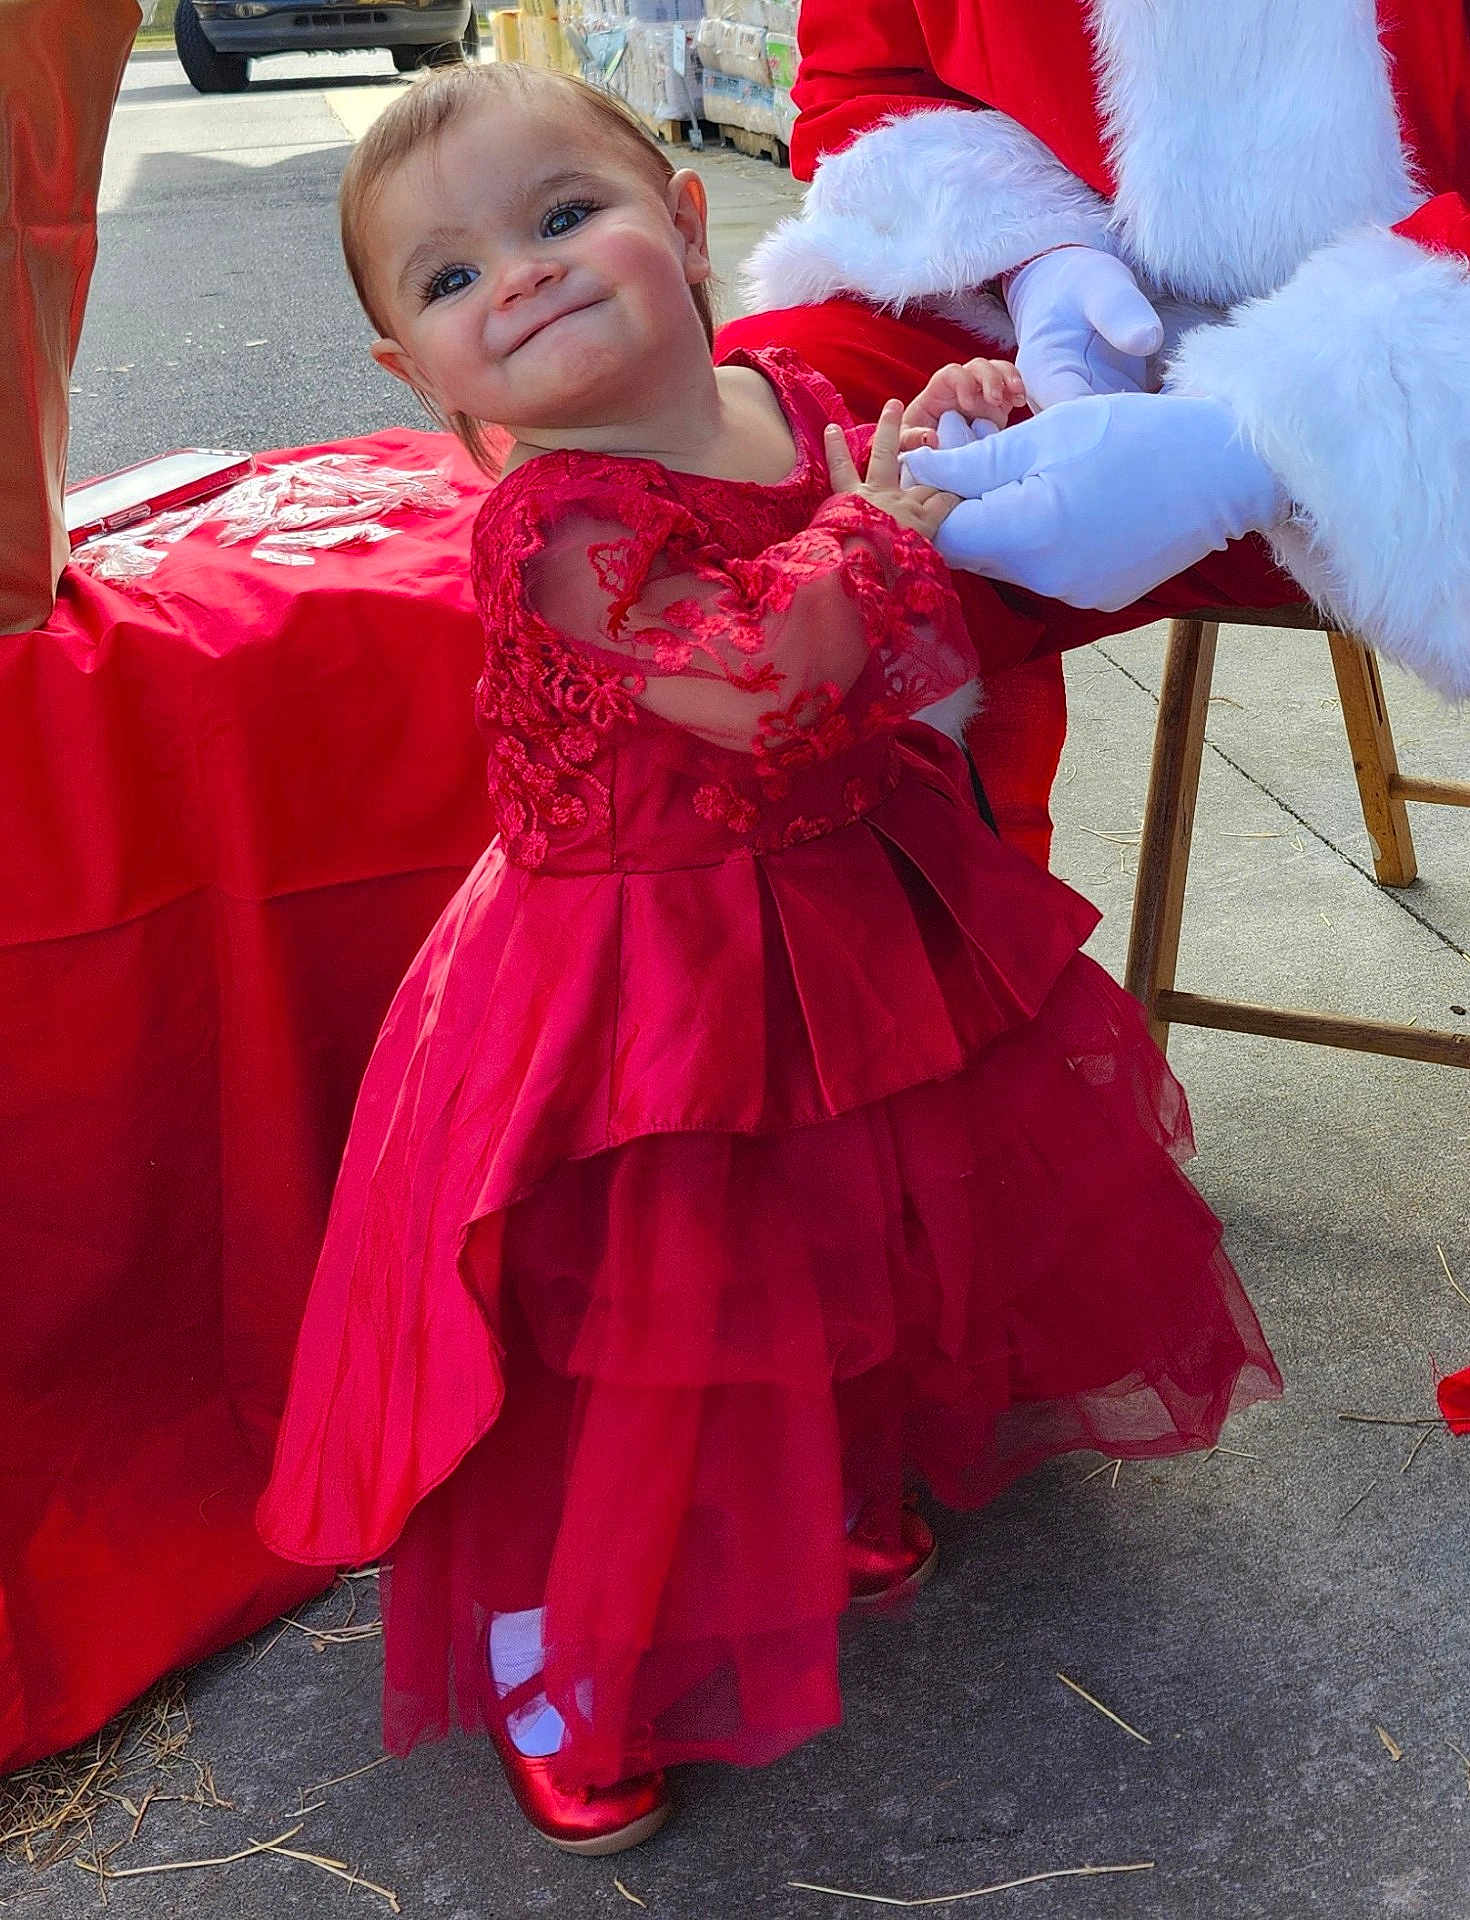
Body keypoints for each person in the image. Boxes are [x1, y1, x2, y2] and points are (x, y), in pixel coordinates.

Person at [256, 61, 1280, 1856]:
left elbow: (880, 546)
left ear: (686, 220)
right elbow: (756, 677)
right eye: (448, 277)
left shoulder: (782, 400)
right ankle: (563, 1652)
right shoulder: (554, 527)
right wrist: (888, 523)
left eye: (566, 215)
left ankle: (820, 1488)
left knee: (849, 1223)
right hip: (636, 973)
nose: (523, 274)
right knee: (650, 1323)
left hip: (844, 907)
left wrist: (932, 437)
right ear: (417, 384)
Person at [724, 0, 1470, 864]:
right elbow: (872, 75)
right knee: (748, 464)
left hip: (1429, 394)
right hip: (1081, 319)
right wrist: (1030, 254)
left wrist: (1271, 436)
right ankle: (935, 970)